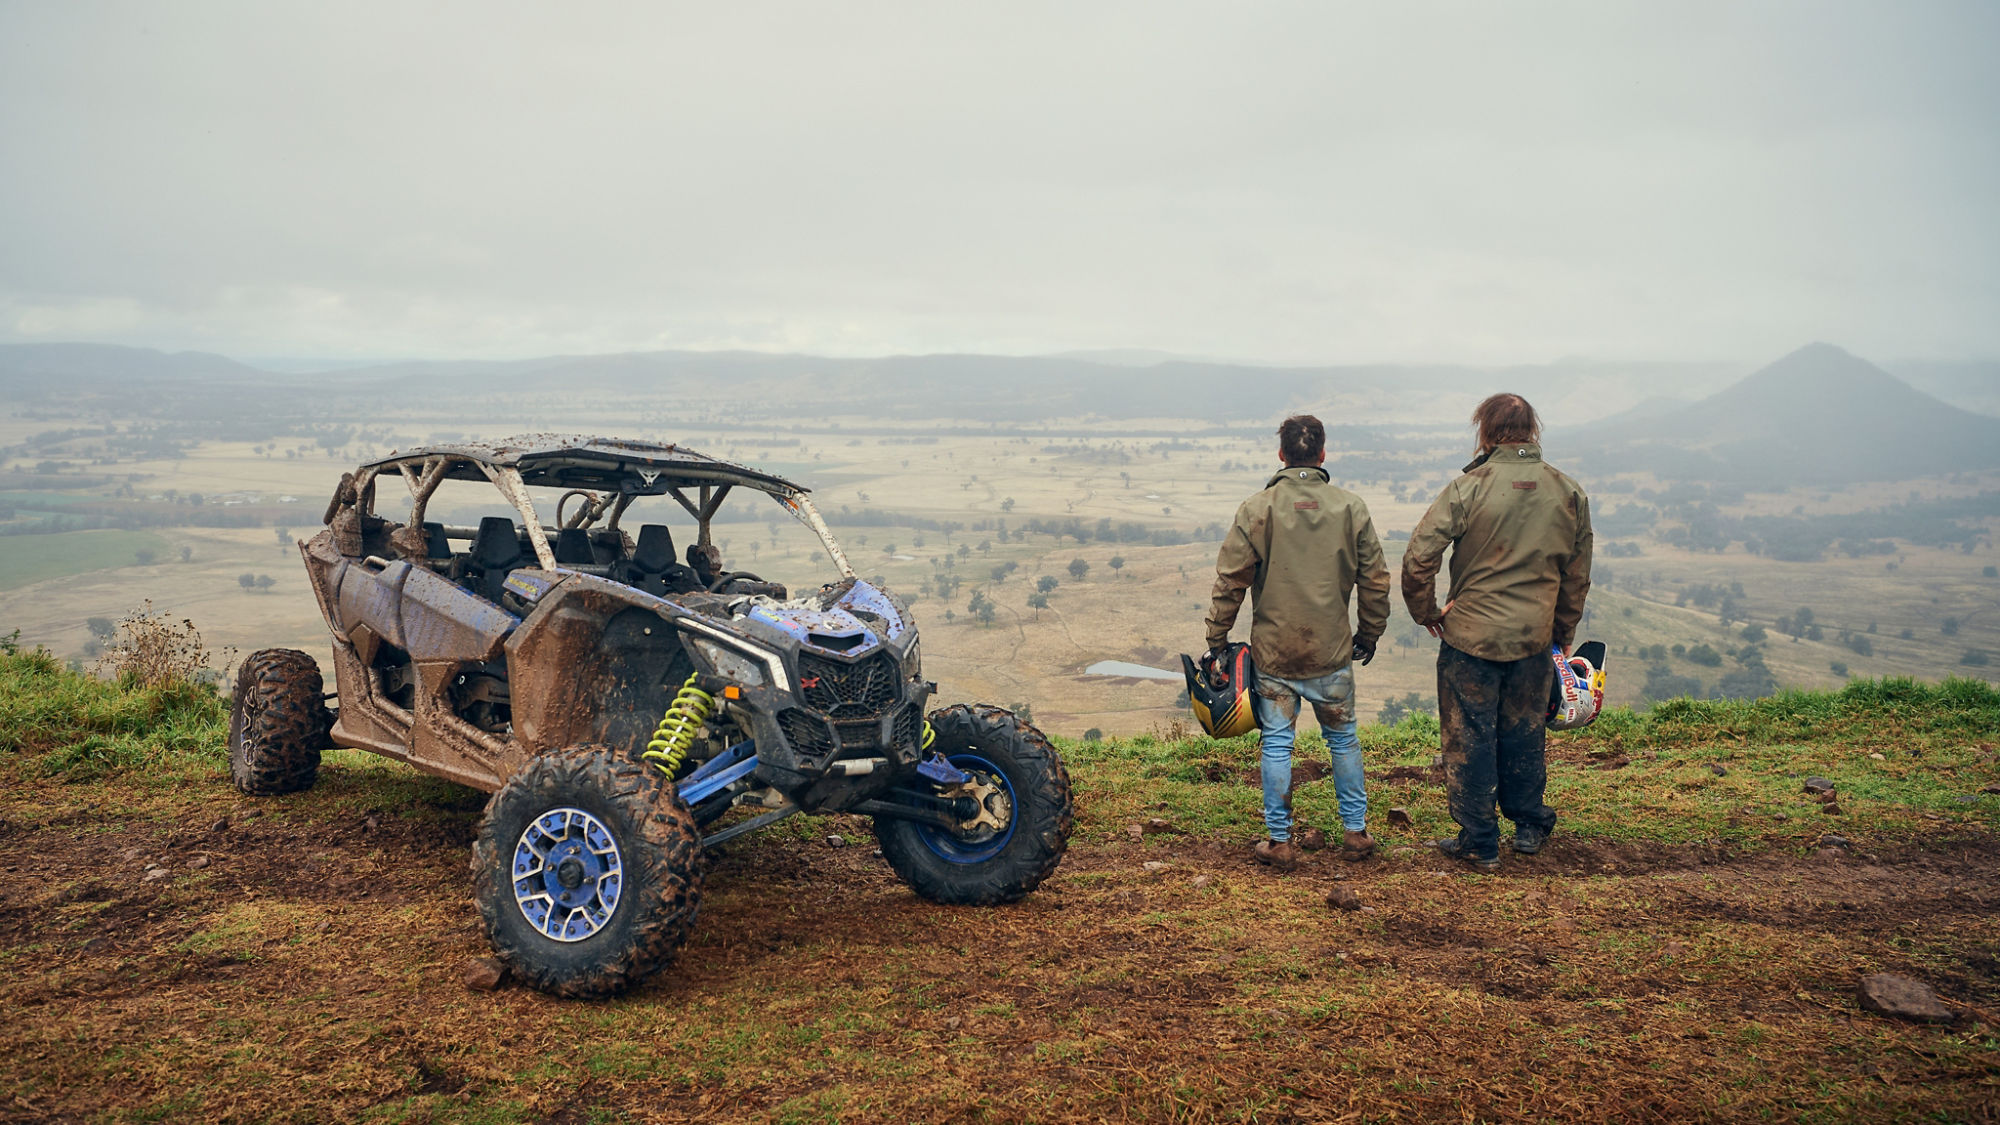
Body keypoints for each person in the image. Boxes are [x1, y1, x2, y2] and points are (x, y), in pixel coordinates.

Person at [1400, 393, 1592, 870]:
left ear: (1484, 432)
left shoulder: (1468, 488)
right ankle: (1528, 826)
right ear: (1533, 431)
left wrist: (1427, 612)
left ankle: (1479, 841)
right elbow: (1576, 572)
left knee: (1469, 738)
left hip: (1470, 639)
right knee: (1525, 732)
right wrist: (1562, 631)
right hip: (1533, 639)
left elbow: (1419, 557)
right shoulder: (1568, 492)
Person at [1205, 414, 1391, 870]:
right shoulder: (1352, 508)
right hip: (1331, 651)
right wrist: (1368, 633)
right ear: (1323, 454)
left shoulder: (1257, 509)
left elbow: (1231, 581)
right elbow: (1376, 581)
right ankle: (1356, 833)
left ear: (1282, 455)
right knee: (1343, 739)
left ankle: (1279, 840)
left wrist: (1217, 638)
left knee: (1276, 742)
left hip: (1275, 655)